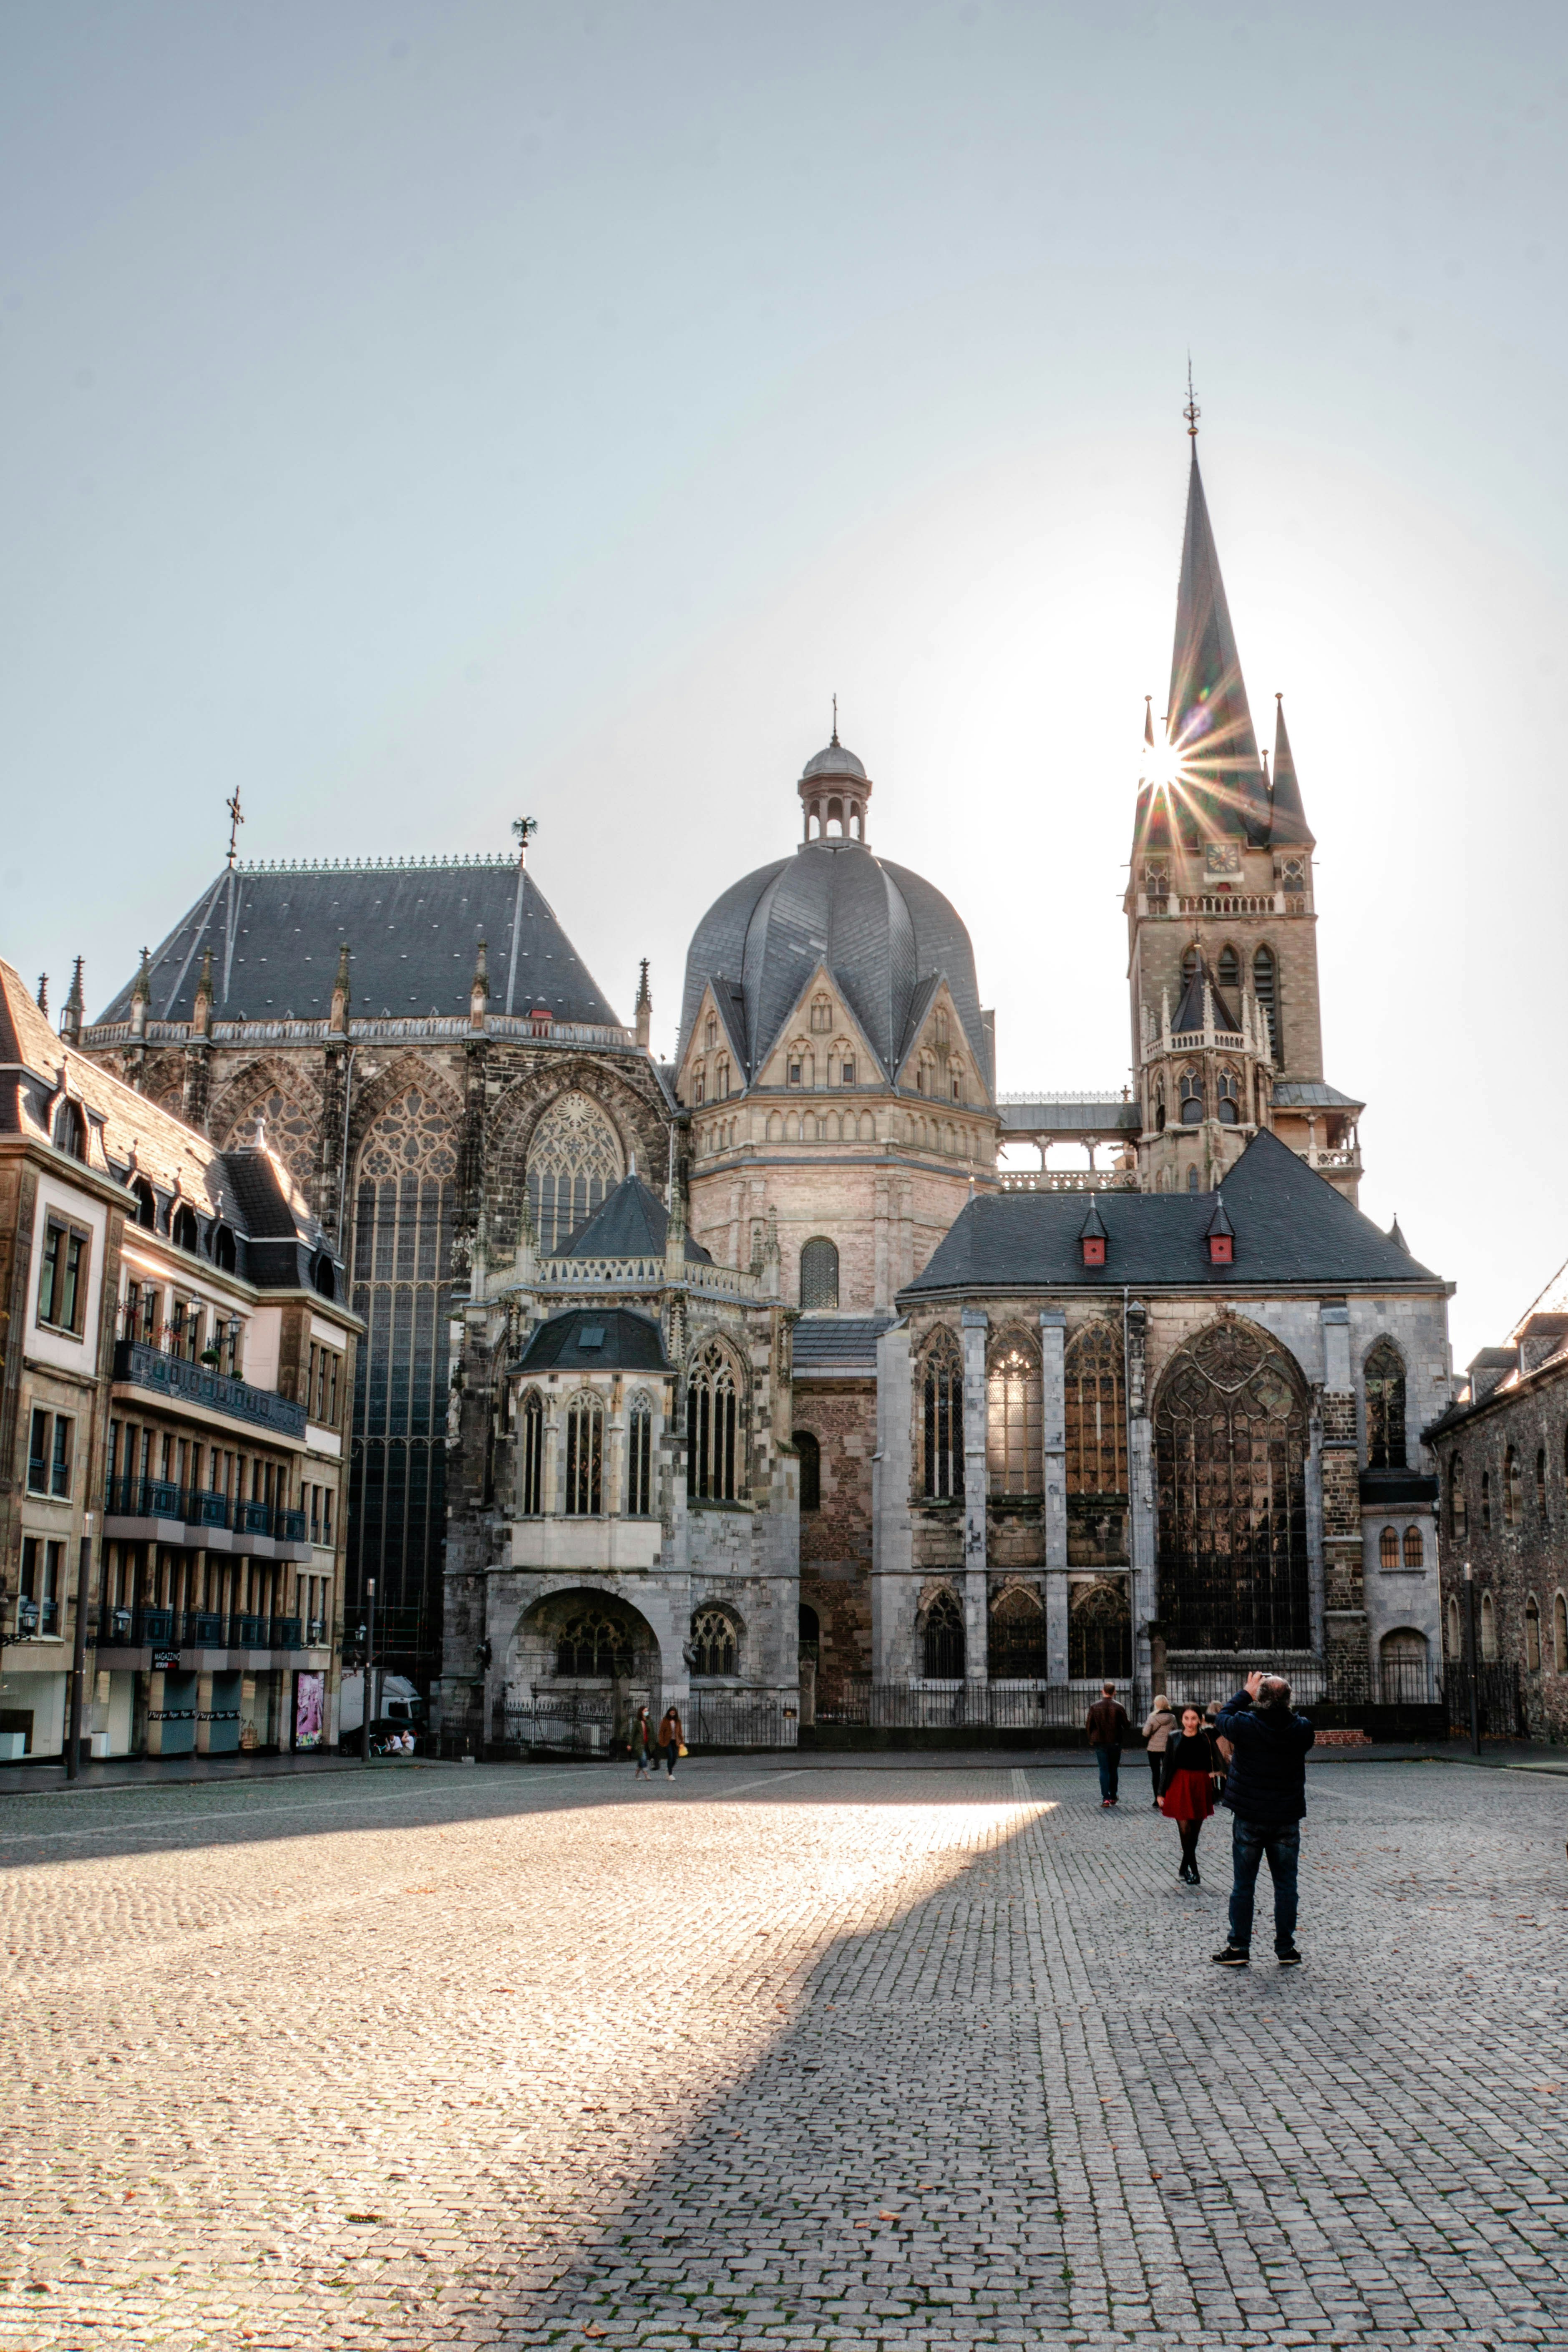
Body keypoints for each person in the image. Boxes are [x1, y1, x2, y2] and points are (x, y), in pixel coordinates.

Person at [1210, 1670, 1316, 1969]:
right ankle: (1285, 1948)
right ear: (1288, 1700)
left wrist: (1245, 1692)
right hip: (1285, 1817)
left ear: (1260, 1698)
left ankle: (1239, 1946)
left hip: (1250, 1816)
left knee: (1243, 1886)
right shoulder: (1302, 1730)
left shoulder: (1244, 1726)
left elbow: (1221, 1718)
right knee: (1286, 1886)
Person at [1160, 1705, 1224, 1883]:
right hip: (1179, 1783)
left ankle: (1183, 1867)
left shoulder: (1207, 1737)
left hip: (1200, 1784)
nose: (1190, 1723)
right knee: (1185, 1830)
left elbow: (1223, 1725)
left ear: (1200, 1720)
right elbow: (1167, 1766)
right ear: (1182, 1720)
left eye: (1194, 1719)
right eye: (1187, 1719)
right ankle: (1194, 1871)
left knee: (1195, 1832)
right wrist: (1160, 1793)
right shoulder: (1174, 1738)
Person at [1085, 1682, 1130, 1808]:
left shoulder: (1095, 1707)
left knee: (1103, 1770)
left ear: (1102, 1691)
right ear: (1114, 1692)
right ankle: (1113, 1796)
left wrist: (1091, 1739)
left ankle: (1106, 1798)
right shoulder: (1119, 1707)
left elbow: (1089, 1725)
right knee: (1113, 1770)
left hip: (1099, 1742)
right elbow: (1127, 1725)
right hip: (1115, 1742)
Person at [1141, 1694, 1177, 1809]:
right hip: (1168, 1748)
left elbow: (1146, 1733)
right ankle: (1168, 1797)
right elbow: (1176, 1732)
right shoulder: (1172, 1718)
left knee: (1156, 1773)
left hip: (1154, 1748)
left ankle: (1157, 1799)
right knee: (1167, 1773)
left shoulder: (1152, 1718)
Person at [657, 1705, 684, 1779]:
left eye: (674, 1713)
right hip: (667, 1742)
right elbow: (661, 1732)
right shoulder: (665, 1720)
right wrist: (661, 1741)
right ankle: (670, 1774)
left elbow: (680, 1732)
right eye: (671, 1713)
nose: (672, 1714)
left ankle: (669, 1769)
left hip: (675, 1742)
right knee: (670, 1757)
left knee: (675, 1758)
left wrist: (682, 1742)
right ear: (669, 1713)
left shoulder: (678, 1721)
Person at [630, 1705, 654, 1780]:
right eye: (645, 1711)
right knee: (644, 1757)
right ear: (641, 1712)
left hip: (647, 1744)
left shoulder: (649, 1722)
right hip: (639, 1744)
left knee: (642, 1760)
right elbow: (633, 1734)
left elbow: (651, 1732)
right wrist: (630, 1744)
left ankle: (637, 1773)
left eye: (647, 1711)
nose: (647, 1712)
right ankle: (647, 1775)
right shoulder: (637, 1722)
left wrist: (646, 1721)